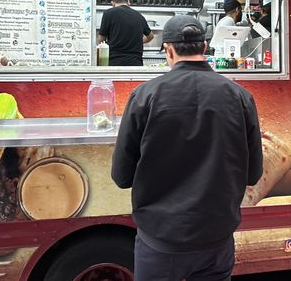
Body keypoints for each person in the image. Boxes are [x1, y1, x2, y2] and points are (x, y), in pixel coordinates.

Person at [111, 15, 263, 281]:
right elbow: (253, 174)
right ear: (205, 48)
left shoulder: (144, 96)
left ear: (168, 50)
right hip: (217, 239)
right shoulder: (240, 96)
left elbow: (121, 176)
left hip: (161, 241)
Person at [98, 0, 154, 66]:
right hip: (136, 64)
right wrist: (137, 41)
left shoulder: (108, 13)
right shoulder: (139, 16)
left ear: (112, 3)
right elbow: (151, 36)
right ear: (128, 2)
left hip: (115, 63)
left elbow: (101, 40)